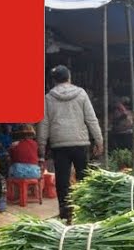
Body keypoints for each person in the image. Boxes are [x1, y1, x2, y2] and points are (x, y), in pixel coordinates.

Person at [37, 65, 102, 222]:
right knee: (83, 177)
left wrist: (41, 145)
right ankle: (84, 208)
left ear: (53, 81)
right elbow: (91, 119)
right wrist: (99, 140)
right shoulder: (81, 94)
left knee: (62, 179)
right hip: (80, 142)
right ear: (69, 77)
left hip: (59, 143)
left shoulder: (48, 98)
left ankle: (66, 211)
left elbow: (43, 124)